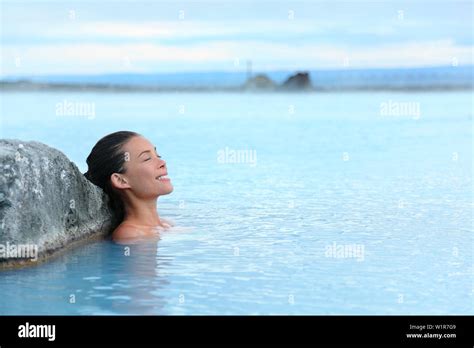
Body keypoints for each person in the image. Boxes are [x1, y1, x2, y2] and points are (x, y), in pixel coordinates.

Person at [84, 131, 173, 242]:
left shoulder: (166, 224)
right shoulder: (130, 234)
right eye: (147, 158)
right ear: (120, 180)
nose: (162, 162)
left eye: (157, 155)